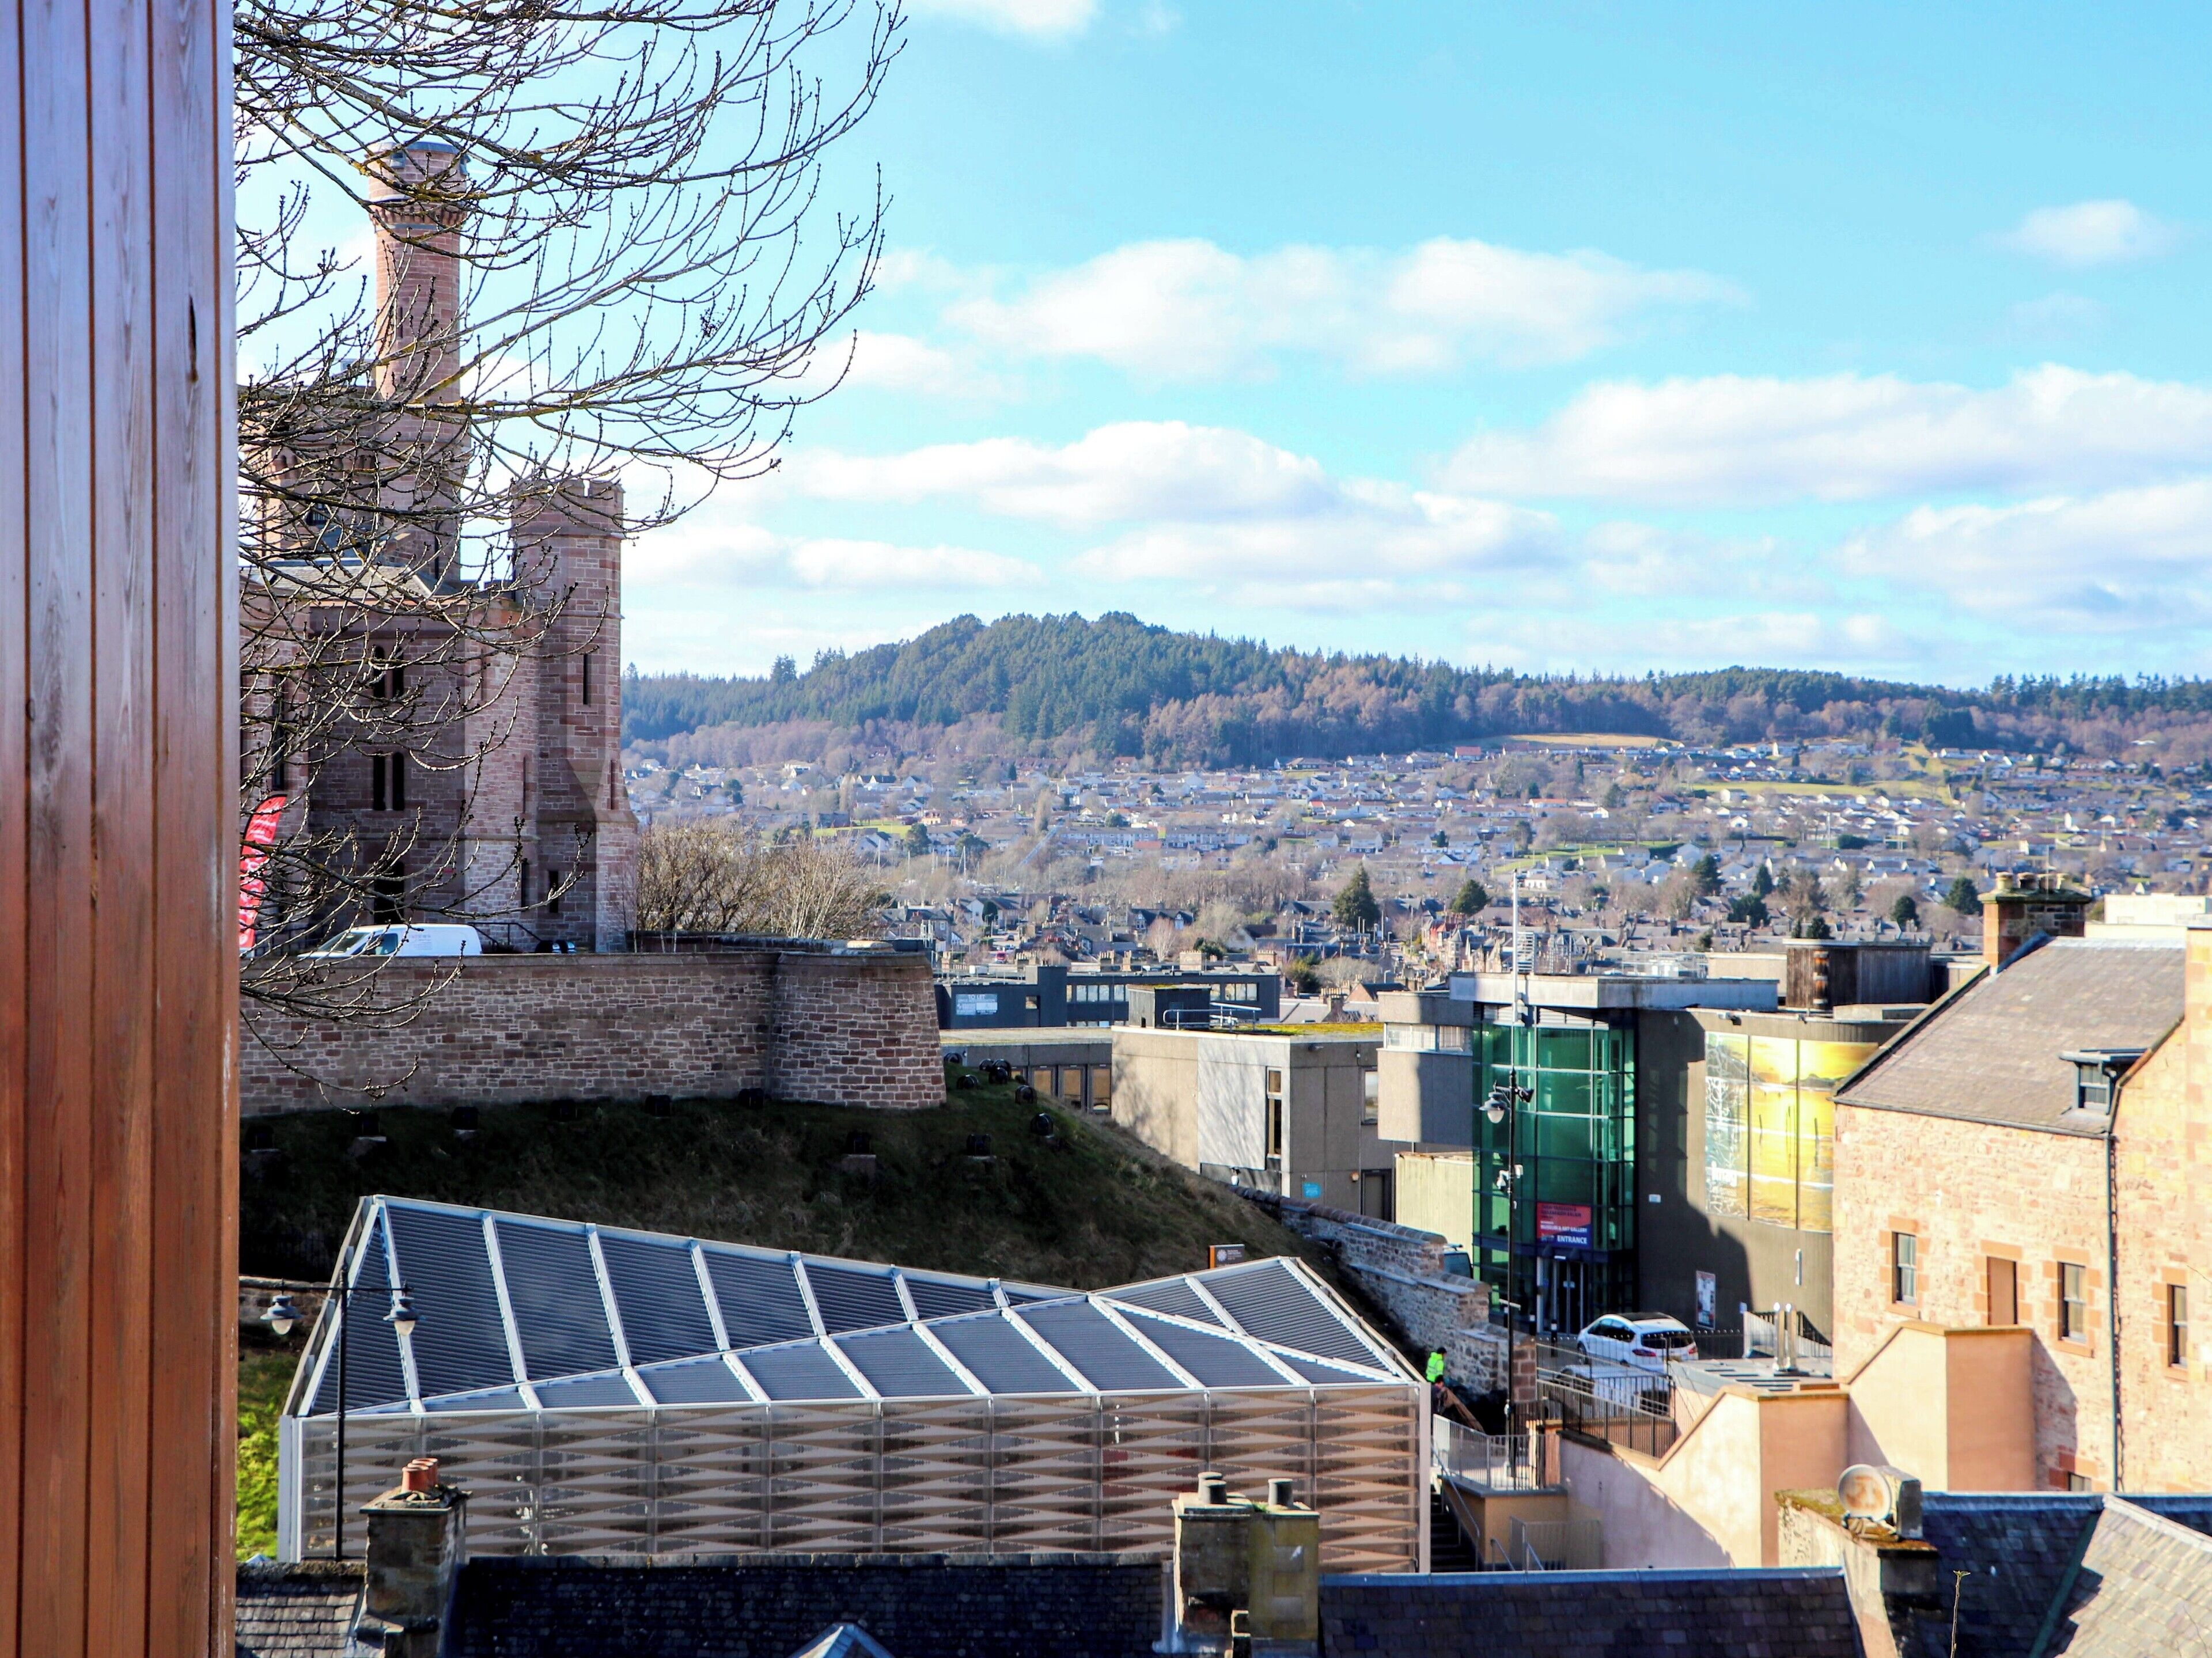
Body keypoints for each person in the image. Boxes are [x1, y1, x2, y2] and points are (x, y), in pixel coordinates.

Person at [1426, 1348, 1449, 1415]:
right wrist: (1441, 1384)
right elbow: (1440, 1374)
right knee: (1436, 1399)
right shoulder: (1440, 1362)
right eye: (1445, 1355)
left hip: (1428, 1380)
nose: (1445, 1357)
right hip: (1435, 1382)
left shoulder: (1431, 1359)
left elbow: (1428, 1370)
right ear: (1442, 1354)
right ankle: (1436, 1413)